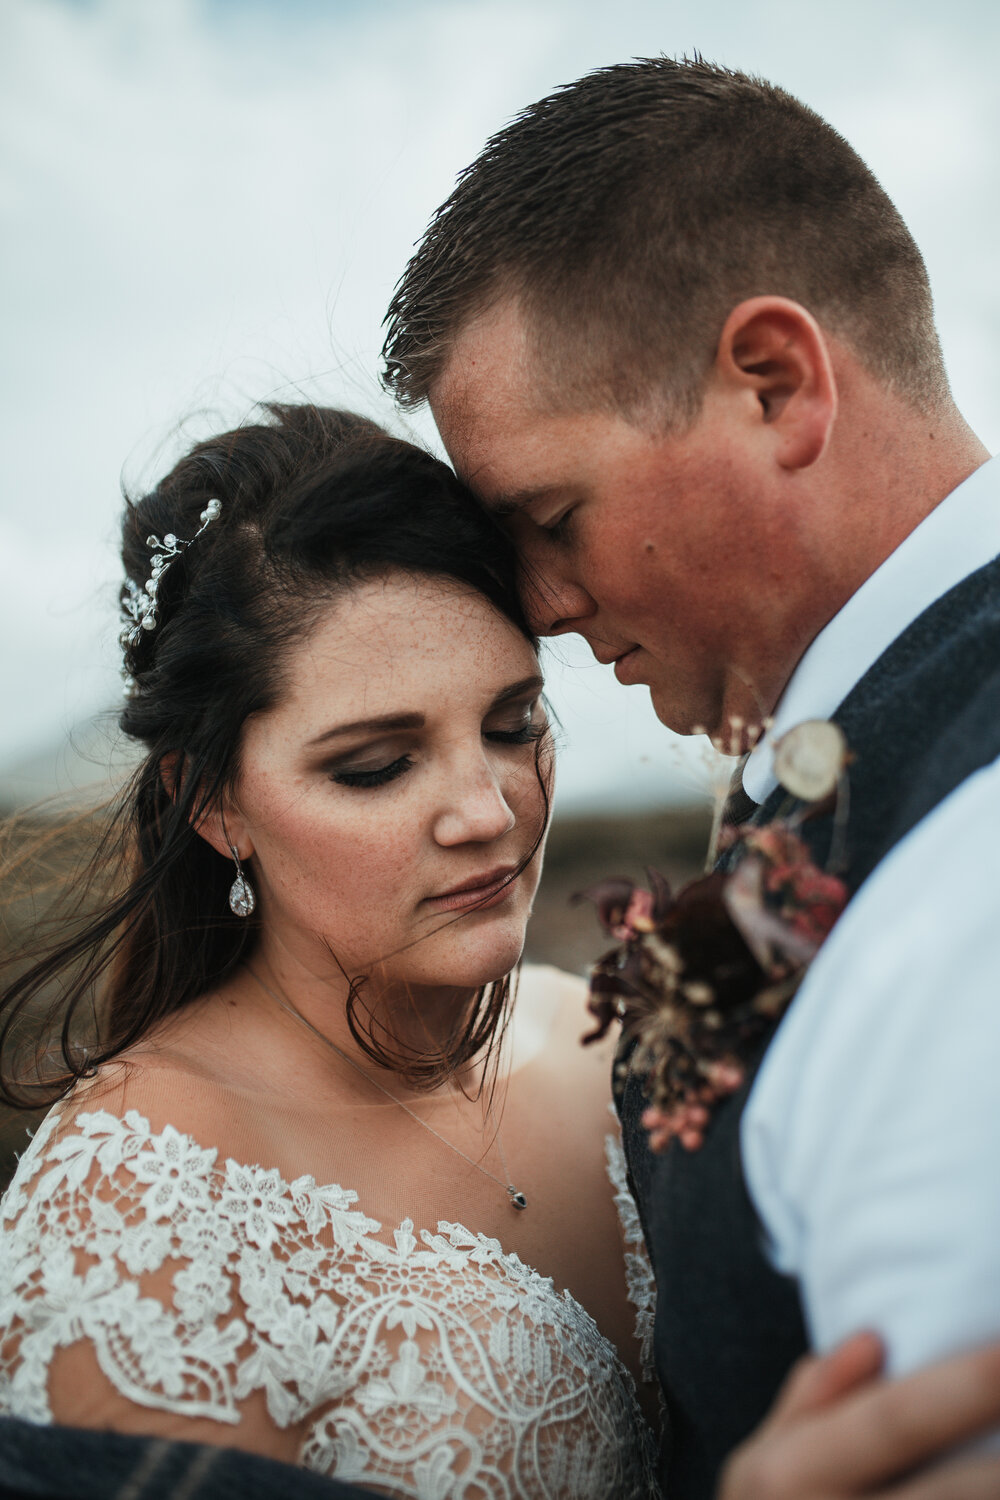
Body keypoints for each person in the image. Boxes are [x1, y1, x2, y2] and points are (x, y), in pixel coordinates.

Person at [380, 55, 1000, 1500]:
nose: (534, 605)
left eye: (552, 515)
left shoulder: (971, 866)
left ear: (774, 385)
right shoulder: (842, 749)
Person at [0, 405, 662, 1498]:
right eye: (373, 766)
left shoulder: (601, 1039)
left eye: (512, 725)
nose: (485, 811)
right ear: (212, 802)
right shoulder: (139, 1205)